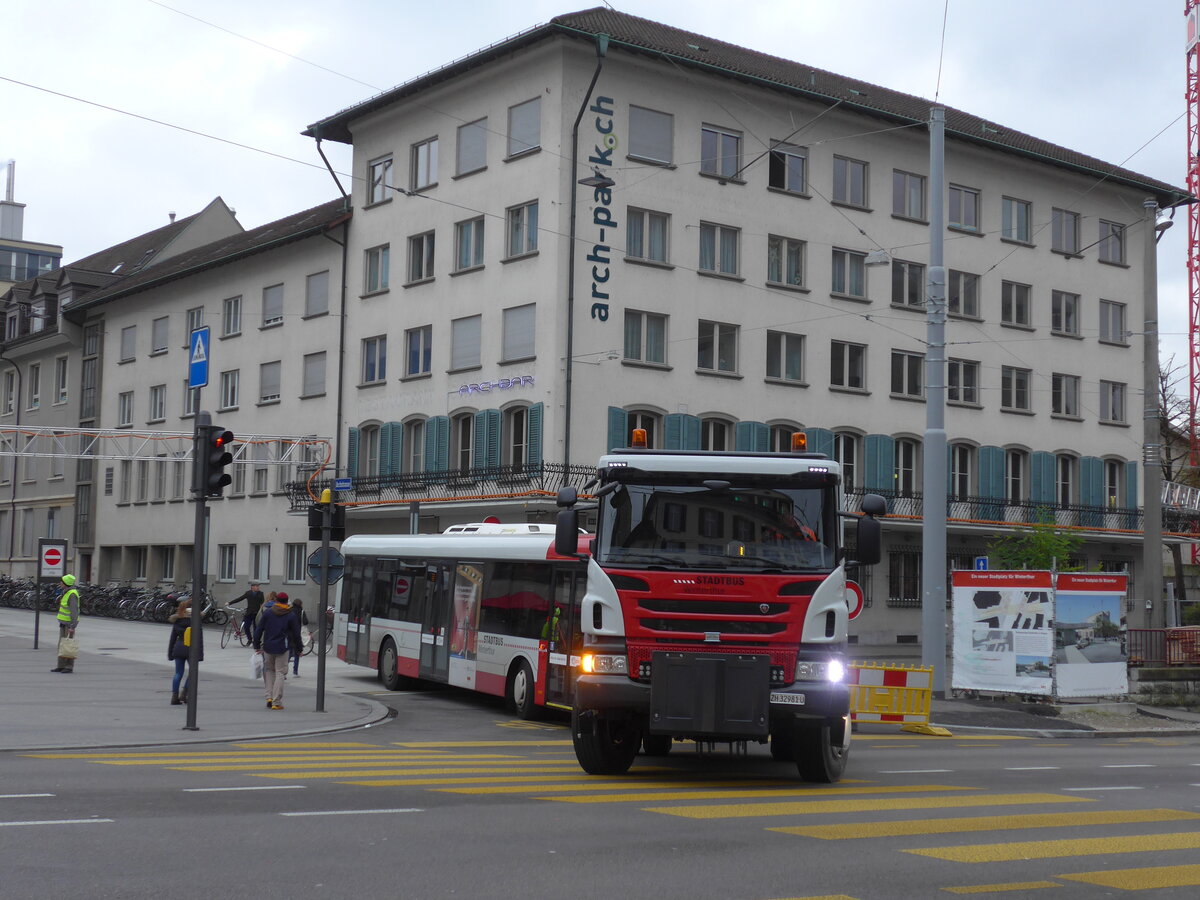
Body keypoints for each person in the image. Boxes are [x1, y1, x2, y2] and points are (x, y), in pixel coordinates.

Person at [253, 590, 301, 710]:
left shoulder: (268, 613)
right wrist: (299, 648)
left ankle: (268, 696)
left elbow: (259, 629)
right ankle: (276, 701)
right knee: (280, 672)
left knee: (269, 670)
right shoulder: (291, 615)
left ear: (277, 601)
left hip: (268, 646)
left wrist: (256, 644)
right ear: (286, 601)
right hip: (283, 647)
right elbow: (296, 634)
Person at [166, 599, 202, 705]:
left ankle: (174, 696)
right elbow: (199, 640)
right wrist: (200, 654)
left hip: (179, 648)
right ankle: (184, 693)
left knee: (178, 673)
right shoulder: (196, 622)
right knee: (193, 672)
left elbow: (172, 638)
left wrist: (170, 653)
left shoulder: (177, 621)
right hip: (192, 649)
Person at [51, 574, 80, 673]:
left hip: (69, 624)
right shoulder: (66, 592)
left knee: (68, 645)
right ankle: (61, 665)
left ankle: (68, 666)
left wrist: (72, 626)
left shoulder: (72, 594)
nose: (60, 583)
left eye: (61, 582)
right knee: (62, 645)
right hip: (63, 623)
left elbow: (74, 611)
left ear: (66, 583)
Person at [289, 598, 310, 676]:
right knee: (297, 652)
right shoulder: (301, 611)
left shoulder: (289, 610)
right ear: (300, 604)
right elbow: (305, 622)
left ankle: (284, 671)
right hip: (298, 632)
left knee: (289, 652)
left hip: (289, 633)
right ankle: (295, 671)